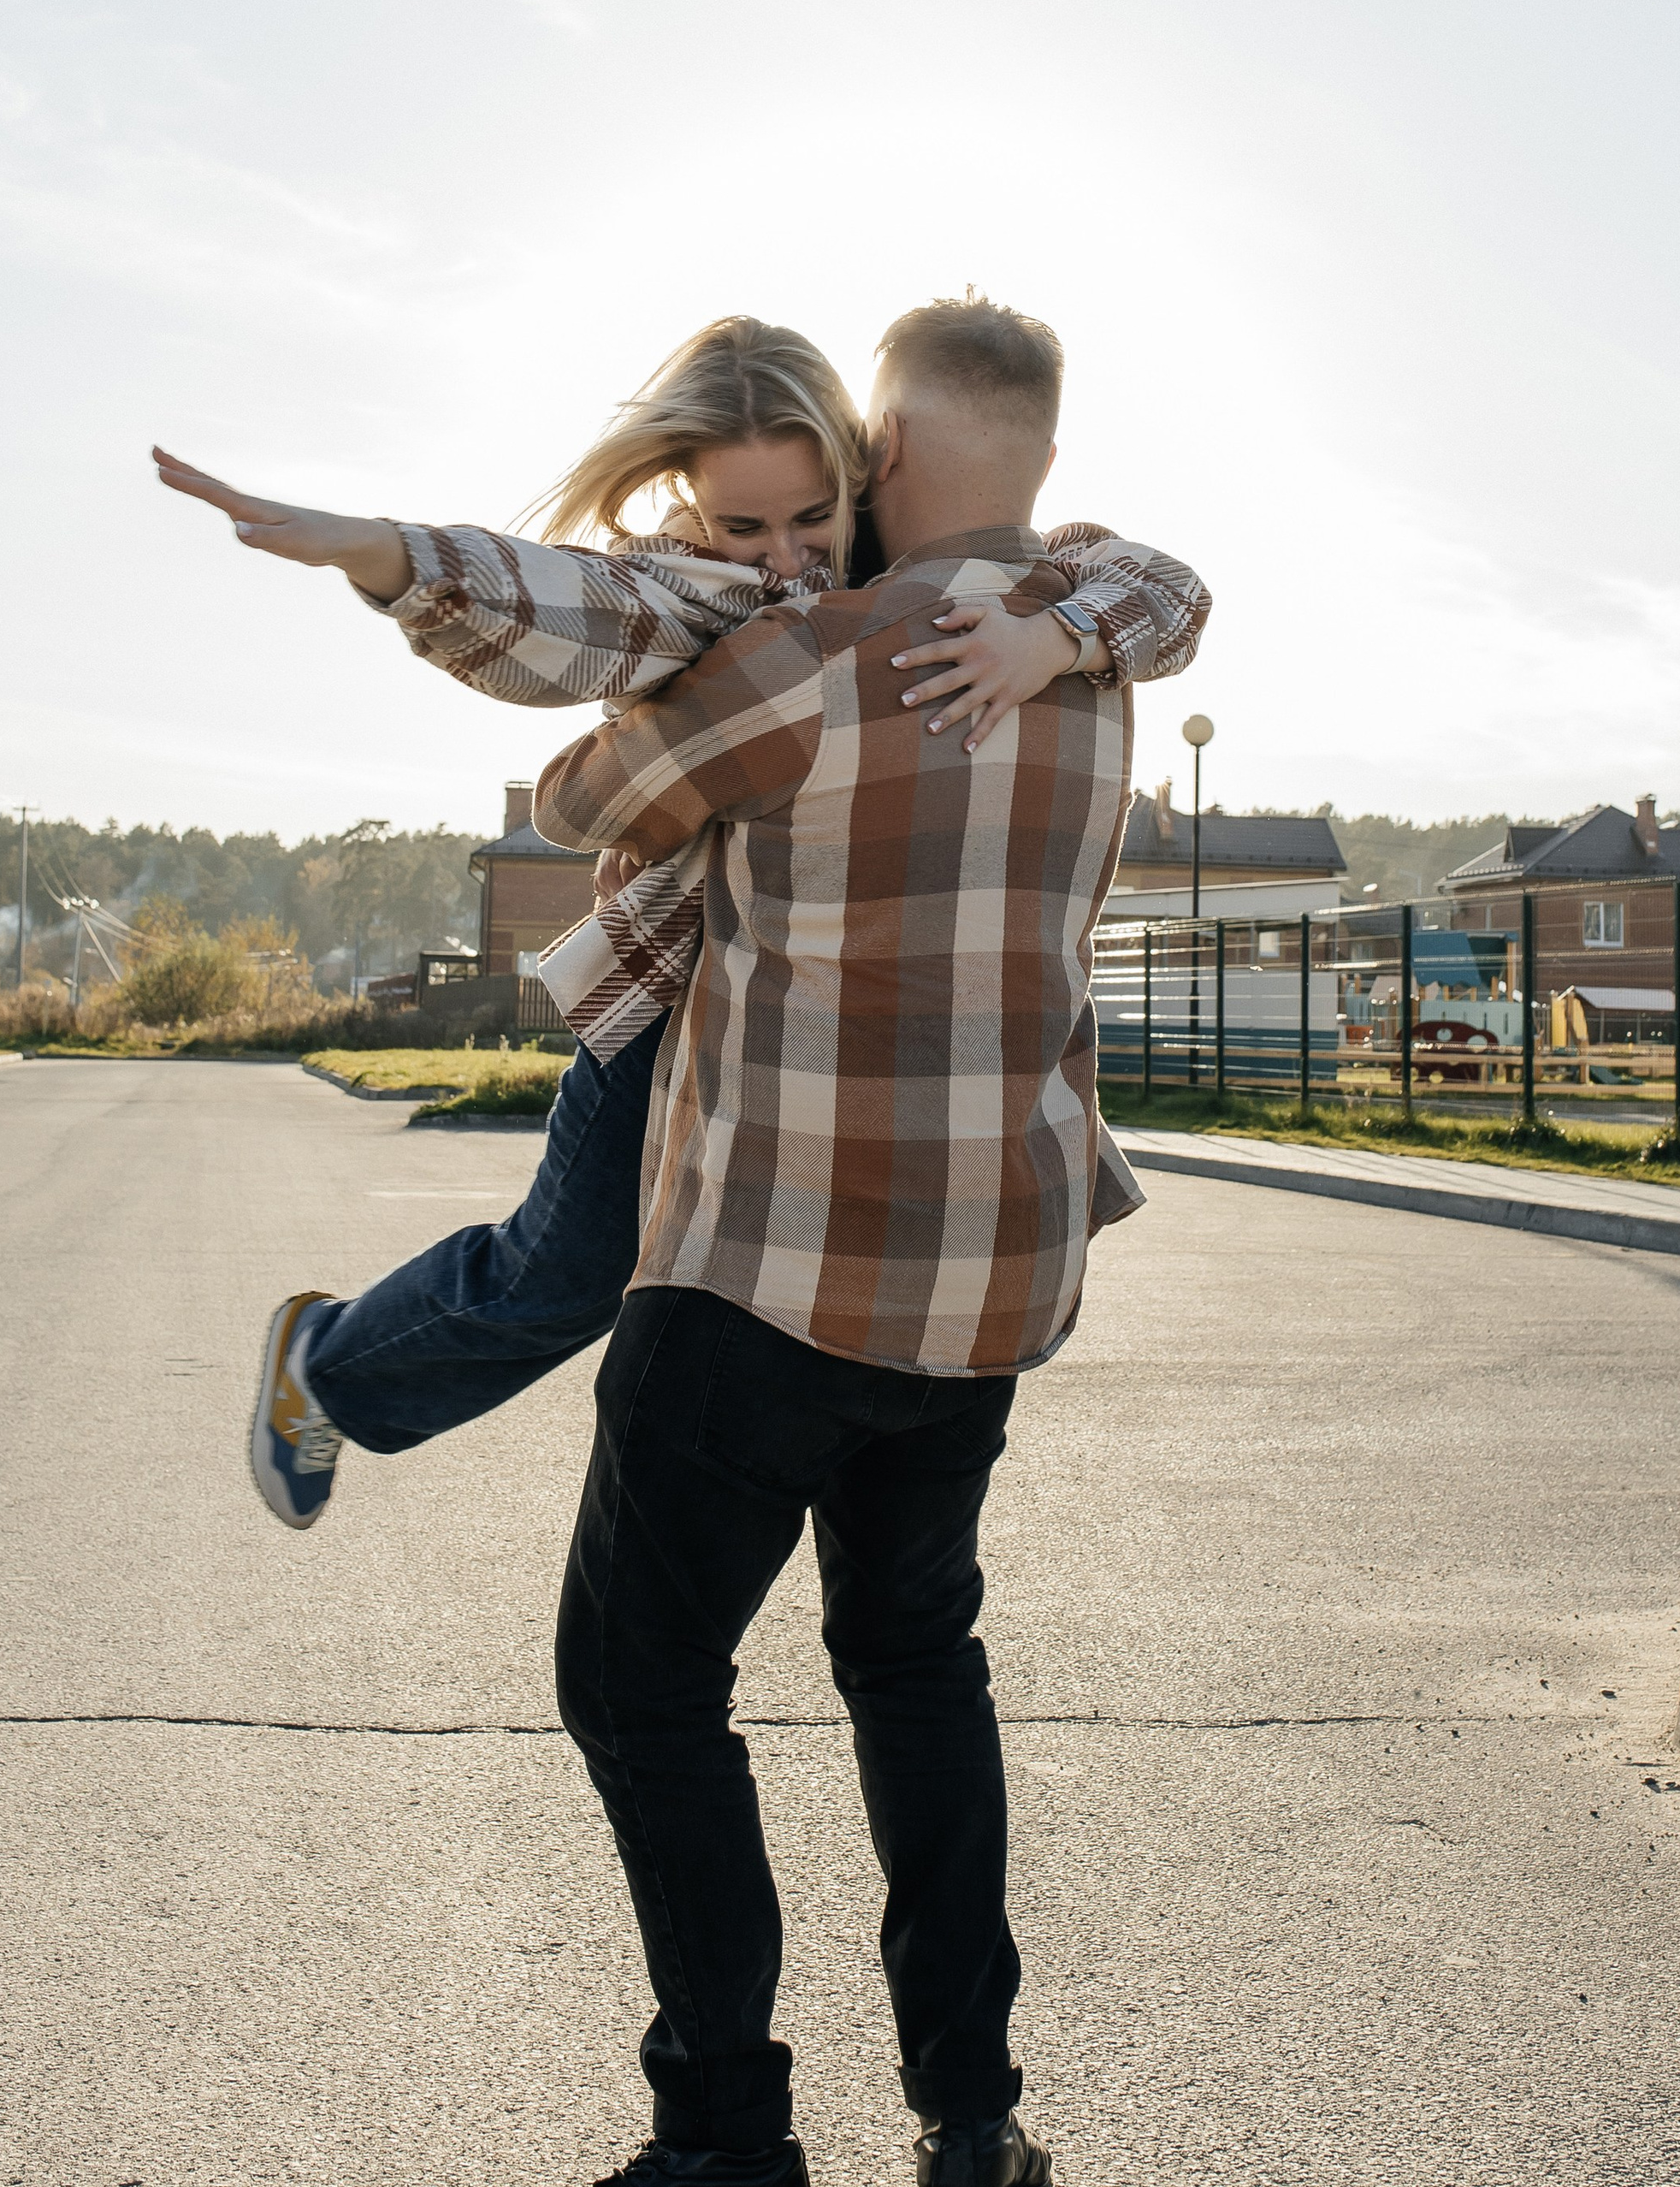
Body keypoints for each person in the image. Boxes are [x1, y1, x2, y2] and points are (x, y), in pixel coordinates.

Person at [488, 294, 1209, 2187]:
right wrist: (1075, 604)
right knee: (910, 1664)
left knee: (640, 1688)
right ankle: (969, 2129)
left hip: (764, 1283)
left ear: (879, 447)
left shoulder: (808, 655)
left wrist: (694, 621)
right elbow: (1169, 586)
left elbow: (579, 806)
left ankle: (725, 2151)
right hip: (981, 1294)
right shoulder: (1090, 655)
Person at [151, 317, 1207, 1529]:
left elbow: (1161, 582)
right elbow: (577, 606)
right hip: (673, 1000)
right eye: (744, 526)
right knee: (564, 1277)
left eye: (812, 518)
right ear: (692, 511)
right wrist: (394, 557)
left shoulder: (922, 579)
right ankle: (327, 1365)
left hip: (808, 1011)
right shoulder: (703, 595)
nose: (790, 559)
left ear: (865, 465)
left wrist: (1053, 636)